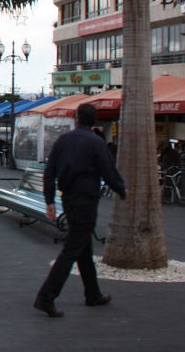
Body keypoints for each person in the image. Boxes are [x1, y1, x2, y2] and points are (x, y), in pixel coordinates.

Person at [34, 103, 126, 318]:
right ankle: (46, 297)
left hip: (68, 199)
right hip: (86, 199)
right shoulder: (96, 142)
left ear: (76, 118)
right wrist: (121, 189)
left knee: (83, 248)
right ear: (94, 121)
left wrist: (49, 199)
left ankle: (93, 294)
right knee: (72, 249)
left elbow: (50, 171)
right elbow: (108, 169)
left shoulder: (63, 140)